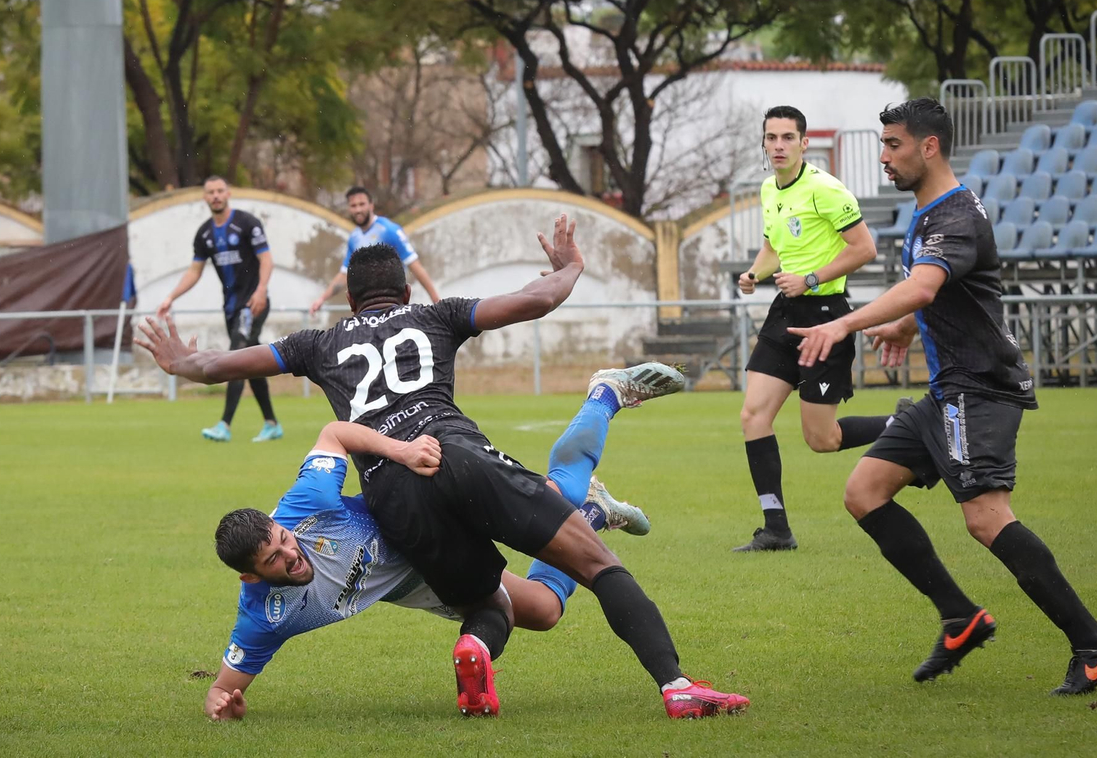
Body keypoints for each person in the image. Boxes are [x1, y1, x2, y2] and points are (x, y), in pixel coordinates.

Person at [141, 220, 750, 719]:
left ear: (349, 302)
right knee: (595, 565)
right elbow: (538, 300)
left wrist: (180, 363)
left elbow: (222, 364)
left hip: (394, 502)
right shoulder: (434, 316)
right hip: (452, 452)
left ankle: (484, 639)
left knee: (496, 608)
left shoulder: (316, 344)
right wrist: (568, 267)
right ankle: (675, 687)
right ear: (405, 294)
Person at [790, 98, 1097, 695]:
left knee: (986, 519)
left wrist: (844, 324)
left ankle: (1094, 642)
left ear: (929, 146)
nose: (885, 157)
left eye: (894, 145)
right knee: (864, 492)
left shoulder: (955, 216)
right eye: (883, 144)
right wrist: (899, 327)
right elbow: (942, 295)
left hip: (979, 389)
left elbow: (923, 287)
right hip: (946, 389)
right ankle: (959, 616)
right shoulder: (928, 211)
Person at [204, 364, 671, 720]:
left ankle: (602, 398)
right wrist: (222, 706)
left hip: (426, 521)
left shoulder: (305, 505)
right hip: (413, 582)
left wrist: (403, 451)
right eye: (276, 560)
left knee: (553, 503)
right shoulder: (263, 616)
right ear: (251, 576)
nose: (292, 554)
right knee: (546, 611)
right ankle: (594, 510)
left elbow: (335, 432)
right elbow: (220, 690)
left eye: (284, 540)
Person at [733, 105, 888, 553]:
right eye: (771, 137)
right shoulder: (768, 189)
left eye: (787, 137)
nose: (778, 145)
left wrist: (811, 279)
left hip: (826, 317)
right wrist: (753, 275)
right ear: (763, 143)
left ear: (804, 143)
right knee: (752, 416)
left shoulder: (826, 190)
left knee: (822, 439)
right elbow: (772, 248)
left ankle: (908, 421)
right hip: (784, 314)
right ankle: (776, 528)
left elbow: (864, 249)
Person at [154, 176, 282, 443]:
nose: (216, 196)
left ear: (228, 193)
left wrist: (261, 291)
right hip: (232, 308)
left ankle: (224, 424)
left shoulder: (247, 223)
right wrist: (171, 297)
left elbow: (266, 259)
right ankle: (271, 423)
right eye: (210, 192)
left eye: (220, 191)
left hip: (253, 303)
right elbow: (194, 271)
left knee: (235, 355)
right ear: (205, 197)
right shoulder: (204, 234)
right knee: (251, 360)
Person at [308, 186, 439, 317]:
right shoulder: (354, 237)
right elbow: (344, 274)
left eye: (362, 204)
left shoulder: (389, 230)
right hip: (366, 311)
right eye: (353, 205)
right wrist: (321, 299)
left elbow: (415, 266)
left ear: (371, 205)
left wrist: (436, 301)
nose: (358, 209)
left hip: (393, 309)